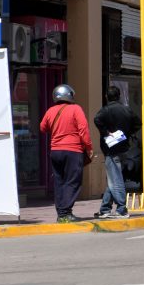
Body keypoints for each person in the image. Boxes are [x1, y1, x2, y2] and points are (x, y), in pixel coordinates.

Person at [39, 84, 93, 223]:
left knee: (59, 182)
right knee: (72, 181)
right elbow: (83, 129)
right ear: (69, 95)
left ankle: (61, 212)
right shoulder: (76, 109)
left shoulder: (50, 110)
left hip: (55, 151)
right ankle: (65, 213)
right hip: (73, 151)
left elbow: (42, 127)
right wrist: (89, 147)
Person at [93, 86, 141, 219]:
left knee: (116, 179)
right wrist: (126, 133)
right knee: (113, 177)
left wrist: (106, 132)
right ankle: (105, 208)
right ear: (118, 96)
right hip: (124, 147)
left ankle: (121, 209)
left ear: (106, 96)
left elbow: (96, 119)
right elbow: (138, 123)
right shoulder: (127, 109)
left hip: (110, 149)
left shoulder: (105, 110)